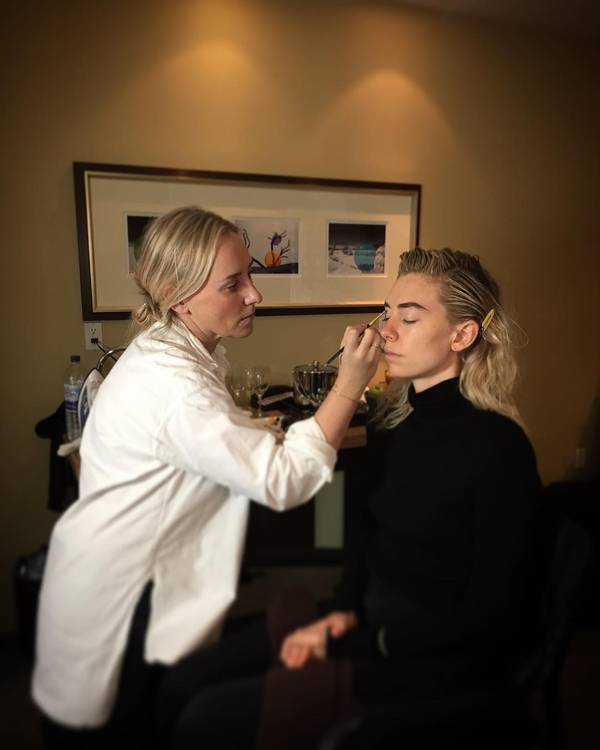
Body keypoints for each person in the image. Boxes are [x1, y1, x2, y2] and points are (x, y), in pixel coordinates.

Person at [154, 247, 542, 750]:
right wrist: (341, 610)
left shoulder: (499, 448)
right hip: (367, 622)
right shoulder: (393, 423)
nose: (386, 332)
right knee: (183, 681)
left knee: (205, 717)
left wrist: (357, 639)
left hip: (430, 660)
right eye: (386, 314)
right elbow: (365, 536)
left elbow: (491, 618)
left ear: (462, 335)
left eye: (409, 318)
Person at [31, 206, 382, 749]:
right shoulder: (176, 384)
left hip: (119, 571)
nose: (254, 295)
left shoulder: (175, 350)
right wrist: (350, 384)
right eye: (233, 284)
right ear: (177, 294)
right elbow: (285, 480)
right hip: (122, 597)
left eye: (251, 275)